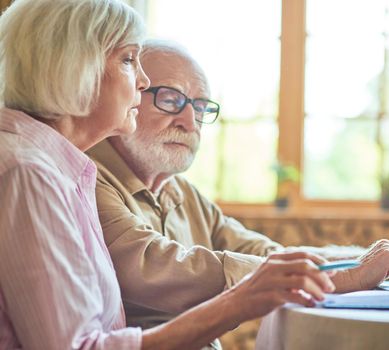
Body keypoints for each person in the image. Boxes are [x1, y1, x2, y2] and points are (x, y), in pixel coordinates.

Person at [0, 1, 336, 349]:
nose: (142, 81)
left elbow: (269, 252)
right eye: (129, 59)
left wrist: (360, 264)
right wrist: (239, 300)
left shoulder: (61, 169)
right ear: (72, 66)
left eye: (201, 107)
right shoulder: (29, 172)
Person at [87, 39, 389, 332]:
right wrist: (351, 274)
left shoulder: (181, 193)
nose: (189, 121)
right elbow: (158, 269)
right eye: (170, 99)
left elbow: (273, 253)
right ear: (131, 96)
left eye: (199, 107)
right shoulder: (88, 176)